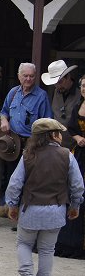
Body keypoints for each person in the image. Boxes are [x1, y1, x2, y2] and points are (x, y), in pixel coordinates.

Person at [6, 118, 83, 276]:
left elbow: (15, 184)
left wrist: (12, 205)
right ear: (53, 135)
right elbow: (77, 185)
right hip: (56, 209)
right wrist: (75, 205)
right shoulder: (67, 155)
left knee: (24, 243)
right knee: (48, 249)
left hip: (31, 208)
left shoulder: (28, 155)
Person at [0, 63, 53, 216]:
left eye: (31, 76)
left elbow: (46, 121)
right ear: (19, 76)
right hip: (13, 144)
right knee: (12, 178)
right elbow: (4, 111)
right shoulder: (13, 93)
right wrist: (4, 120)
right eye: (25, 76)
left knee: (29, 180)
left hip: (32, 143)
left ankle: (25, 215)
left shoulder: (41, 95)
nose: (29, 79)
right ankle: (12, 210)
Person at [59, 74, 85, 259]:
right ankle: (69, 240)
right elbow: (72, 127)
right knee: (73, 190)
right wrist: (77, 138)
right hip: (80, 154)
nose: (84, 89)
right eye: (83, 86)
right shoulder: (78, 106)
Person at [41, 59, 79, 148]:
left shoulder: (81, 93)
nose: (58, 86)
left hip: (76, 146)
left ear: (68, 77)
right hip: (56, 144)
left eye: (60, 82)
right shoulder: (55, 92)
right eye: (55, 84)